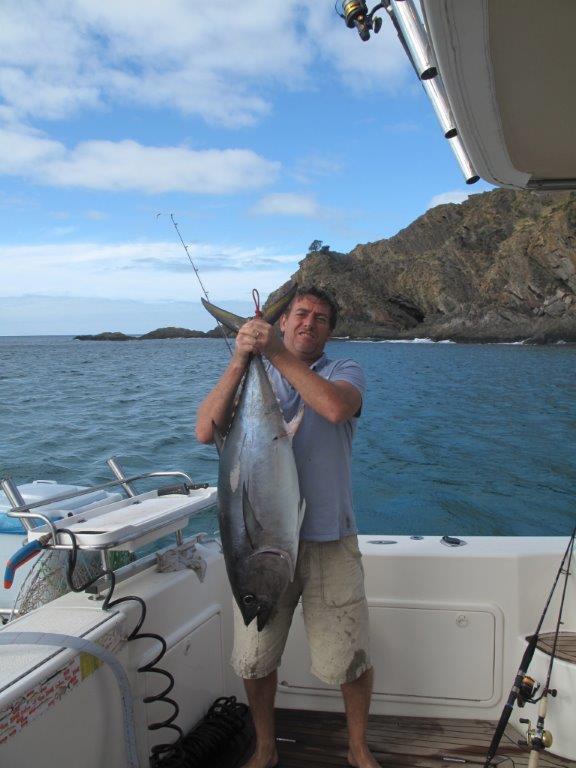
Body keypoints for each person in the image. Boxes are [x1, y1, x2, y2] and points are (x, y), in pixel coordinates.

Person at [196, 286, 379, 768]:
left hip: (329, 541)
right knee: (254, 660)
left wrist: (273, 352)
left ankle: (358, 748)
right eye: (300, 313)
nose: (308, 323)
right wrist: (242, 356)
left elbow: (335, 408)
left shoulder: (344, 371)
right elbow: (205, 430)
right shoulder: (251, 375)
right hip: (261, 548)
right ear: (283, 321)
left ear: (330, 331)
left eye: (320, 318)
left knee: (349, 656)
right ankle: (265, 747)